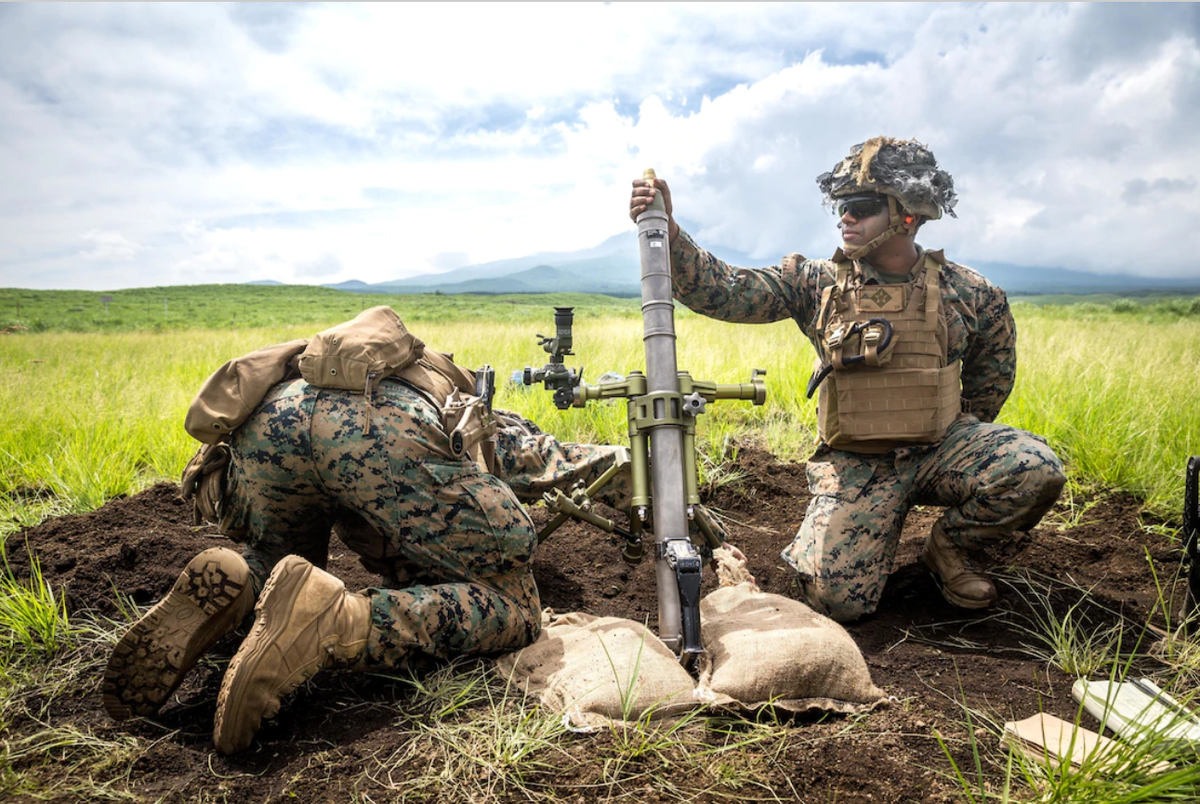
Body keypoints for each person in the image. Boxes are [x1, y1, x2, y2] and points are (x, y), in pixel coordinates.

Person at [101, 324, 632, 755]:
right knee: (514, 608)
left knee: (285, 557)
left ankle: (244, 580)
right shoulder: (487, 418)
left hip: (273, 417)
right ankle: (336, 621)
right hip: (378, 426)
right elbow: (561, 464)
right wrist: (636, 478)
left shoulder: (384, 369)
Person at [629, 137, 1066, 623]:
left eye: (862, 206)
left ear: (908, 213)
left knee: (1034, 468)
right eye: (842, 206)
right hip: (857, 463)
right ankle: (864, 529)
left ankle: (949, 550)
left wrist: (945, 432)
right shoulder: (816, 283)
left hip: (939, 447)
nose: (846, 218)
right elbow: (725, 291)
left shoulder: (971, 292)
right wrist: (671, 234)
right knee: (837, 602)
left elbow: (991, 380)